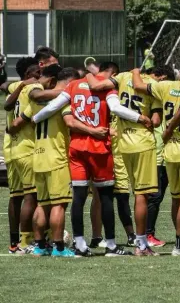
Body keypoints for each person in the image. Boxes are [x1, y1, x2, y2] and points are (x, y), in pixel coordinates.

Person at [33, 61, 149, 257]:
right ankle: (111, 245)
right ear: (112, 73)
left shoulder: (74, 85)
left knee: (78, 197)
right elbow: (117, 108)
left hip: (77, 148)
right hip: (99, 149)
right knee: (104, 198)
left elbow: (54, 106)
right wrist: (139, 118)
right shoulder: (108, 86)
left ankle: (79, 244)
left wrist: (35, 119)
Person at [86, 66, 172, 256]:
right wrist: (147, 117)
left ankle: (107, 237)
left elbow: (97, 86)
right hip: (143, 143)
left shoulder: (122, 77)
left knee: (120, 193)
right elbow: (156, 121)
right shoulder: (152, 85)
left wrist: (87, 73)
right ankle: (141, 244)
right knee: (141, 195)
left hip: (123, 143)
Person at [7, 66, 78, 257]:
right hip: (56, 157)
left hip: (37, 156)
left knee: (42, 204)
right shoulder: (64, 101)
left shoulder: (35, 102)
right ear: (69, 82)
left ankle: (39, 246)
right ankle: (59, 248)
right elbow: (71, 123)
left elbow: (15, 124)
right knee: (59, 204)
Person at [133, 58, 180, 256]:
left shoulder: (164, 86)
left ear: (179, 71)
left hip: (169, 149)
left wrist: (136, 70)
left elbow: (137, 85)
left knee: (176, 199)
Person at [2, 57, 41, 253]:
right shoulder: (33, 90)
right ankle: (27, 241)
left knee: (16, 196)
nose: (40, 78)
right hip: (27, 148)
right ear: (29, 74)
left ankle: (13, 243)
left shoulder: (16, 85)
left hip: (11, 150)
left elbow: (4, 88)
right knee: (31, 196)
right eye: (38, 74)